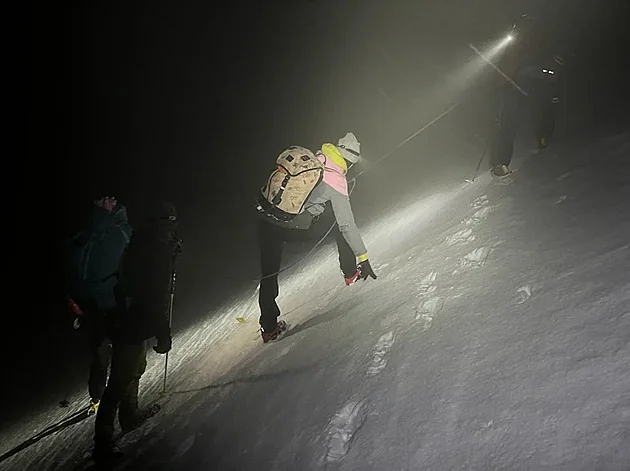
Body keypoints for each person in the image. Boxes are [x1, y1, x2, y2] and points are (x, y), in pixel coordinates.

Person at [256, 132, 377, 343]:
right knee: (338, 228)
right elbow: (347, 224)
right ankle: (351, 273)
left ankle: (269, 328)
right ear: (352, 161)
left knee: (269, 273)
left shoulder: (317, 157)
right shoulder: (338, 181)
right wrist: (363, 257)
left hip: (267, 217)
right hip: (292, 225)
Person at [92, 201, 181, 463]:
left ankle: (129, 415)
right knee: (119, 380)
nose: (173, 228)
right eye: (171, 222)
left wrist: (170, 251)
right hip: (130, 321)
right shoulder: (153, 249)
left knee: (135, 367)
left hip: (127, 318)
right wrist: (163, 334)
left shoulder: (143, 240)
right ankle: (102, 444)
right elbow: (152, 297)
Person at [65, 196, 132, 414]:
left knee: (109, 352)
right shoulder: (93, 235)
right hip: (102, 306)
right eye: (107, 200)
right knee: (105, 354)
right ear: (97, 204)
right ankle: (102, 398)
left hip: (104, 304)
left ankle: (107, 396)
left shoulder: (99, 232)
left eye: (114, 199)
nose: (112, 202)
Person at [489, 14, 565, 177]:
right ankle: (500, 162)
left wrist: (548, 73)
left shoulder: (539, 45)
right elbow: (503, 71)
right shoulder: (512, 47)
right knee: (507, 123)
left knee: (543, 110)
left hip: (533, 88)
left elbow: (548, 67)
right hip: (513, 89)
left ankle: (544, 139)